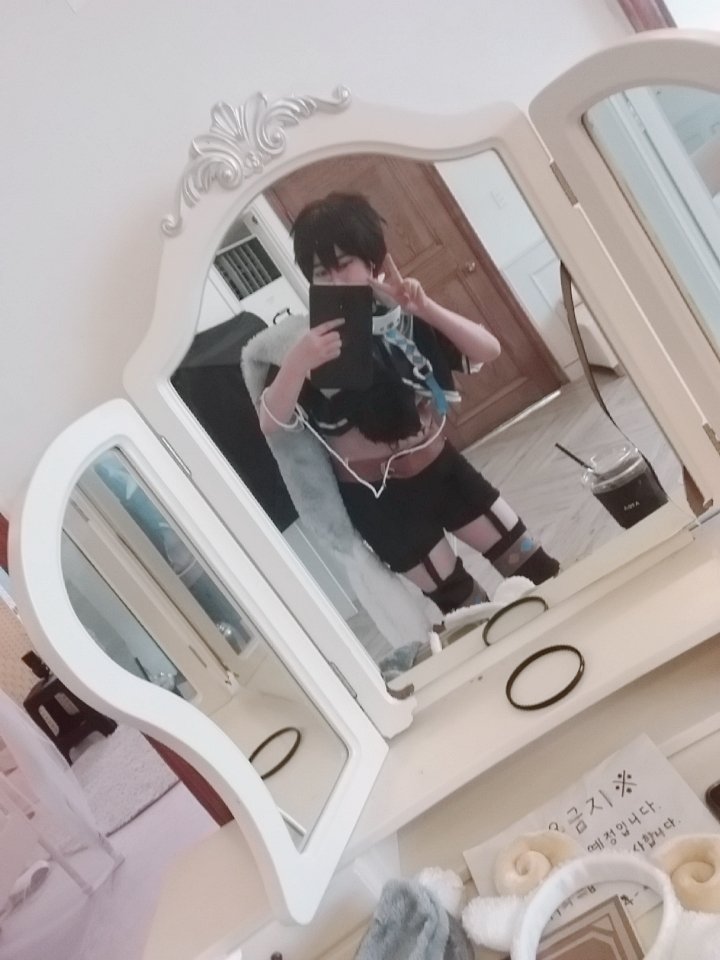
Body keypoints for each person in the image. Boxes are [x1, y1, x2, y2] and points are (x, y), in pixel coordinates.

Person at [258, 193, 559, 616]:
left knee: (536, 567)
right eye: (322, 272)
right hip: (382, 501)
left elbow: (487, 350)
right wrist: (298, 363)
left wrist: (423, 306)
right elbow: (270, 422)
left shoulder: (401, 315)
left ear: (372, 261)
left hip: (443, 469)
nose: (335, 280)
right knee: (467, 608)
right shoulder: (303, 343)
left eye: (344, 264)